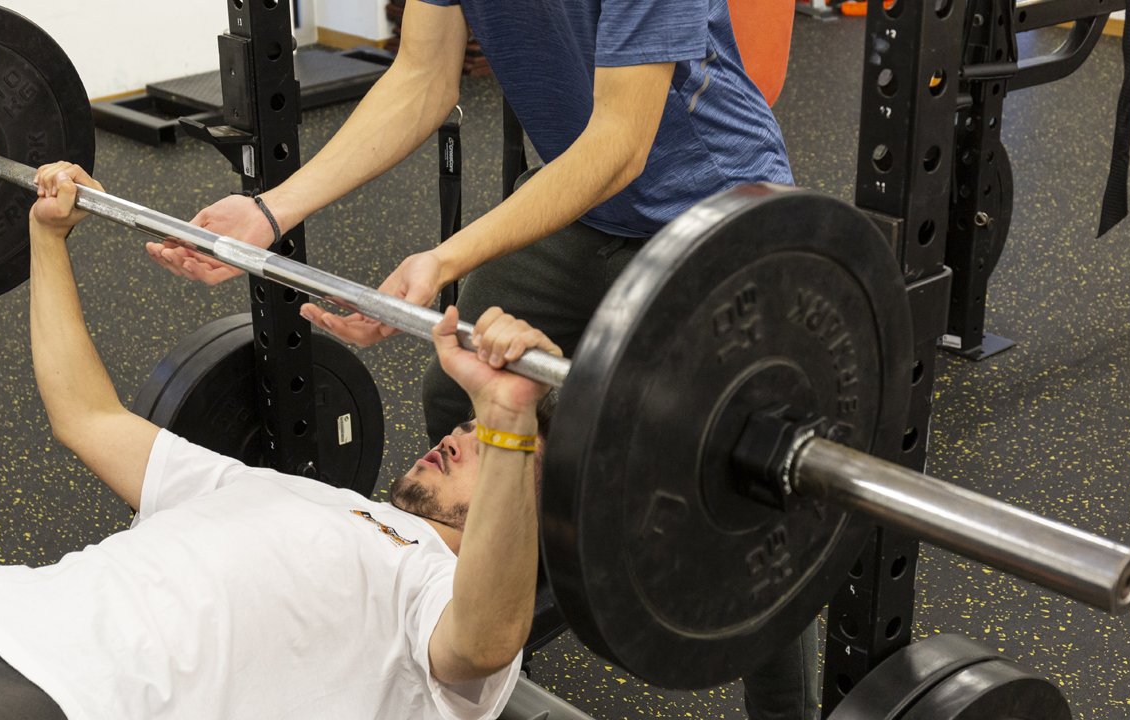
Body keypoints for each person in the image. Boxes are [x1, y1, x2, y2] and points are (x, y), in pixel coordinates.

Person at [145, 2, 815, 716]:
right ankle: (478, 641)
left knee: (747, 487)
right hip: (583, 207)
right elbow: (423, 78)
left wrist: (441, 260)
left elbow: (622, 142)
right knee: (461, 403)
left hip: (715, 207)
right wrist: (273, 210)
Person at [0, 164, 558, 720]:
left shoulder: (436, 593)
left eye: (487, 449)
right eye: (466, 427)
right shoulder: (292, 492)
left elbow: (485, 639)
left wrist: (508, 420)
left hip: (72, 700)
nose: (456, 439)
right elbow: (87, 417)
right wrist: (48, 237)